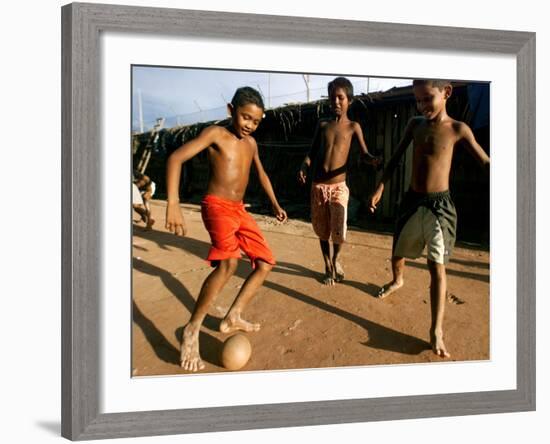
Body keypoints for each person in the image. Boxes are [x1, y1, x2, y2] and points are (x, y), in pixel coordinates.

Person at [165, 86, 287, 372]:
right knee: (228, 264)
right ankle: (192, 328)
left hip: (239, 209)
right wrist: (173, 202)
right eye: (245, 117)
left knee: (266, 262)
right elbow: (175, 158)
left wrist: (275, 203)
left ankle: (233, 315)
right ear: (231, 110)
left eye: (256, 121)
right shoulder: (215, 135)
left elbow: (261, 173)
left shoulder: (252, 144)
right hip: (216, 206)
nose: (249, 125)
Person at [369, 79, 490, 358]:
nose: (422, 105)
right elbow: (396, 157)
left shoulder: (458, 129)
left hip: (440, 207)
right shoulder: (415, 125)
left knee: (437, 266)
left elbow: (484, 161)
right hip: (413, 201)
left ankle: (436, 329)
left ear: (446, 93)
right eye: (418, 100)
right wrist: (380, 186)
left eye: (427, 98)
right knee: (397, 253)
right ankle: (397, 280)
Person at [298, 77, 379, 285]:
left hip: (339, 187)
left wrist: (372, 160)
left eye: (340, 97)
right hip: (318, 185)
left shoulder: (353, 127)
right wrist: (304, 165)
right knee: (322, 229)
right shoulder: (323, 124)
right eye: (332, 97)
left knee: (339, 229)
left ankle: (336, 258)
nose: (335, 101)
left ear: (348, 100)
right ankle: (327, 266)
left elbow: (364, 154)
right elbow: (311, 152)